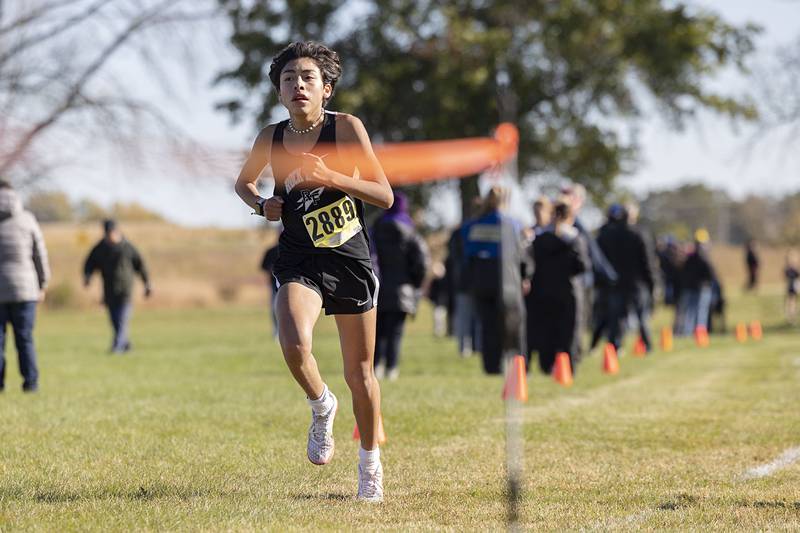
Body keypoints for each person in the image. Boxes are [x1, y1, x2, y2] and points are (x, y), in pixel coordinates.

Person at [233, 41, 393, 502]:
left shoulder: (345, 128)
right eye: (288, 79)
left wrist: (332, 177)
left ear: (326, 88)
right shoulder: (271, 137)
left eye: (307, 77)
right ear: (279, 92)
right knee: (293, 341)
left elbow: (383, 195)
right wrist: (263, 203)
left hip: (349, 258)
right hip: (299, 256)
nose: (297, 85)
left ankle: (369, 464)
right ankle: (321, 405)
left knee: (360, 373)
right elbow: (243, 182)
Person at [462, 186, 532, 375]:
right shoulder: (512, 224)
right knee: (514, 324)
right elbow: (522, 255)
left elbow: (466, 255)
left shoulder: (473, 225)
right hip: (507, 280)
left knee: (488, 326)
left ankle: (491, 367)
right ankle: (518, 365)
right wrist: (526, 276)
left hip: (482, 281)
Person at [526, 197, 589, 374]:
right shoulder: (574, 238)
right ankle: (568, 366)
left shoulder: (539, 237)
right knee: (569, 331)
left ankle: (547, 365)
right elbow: (582, 265)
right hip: (568, 291)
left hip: (542, 291)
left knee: (546, 329)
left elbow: (529, 263)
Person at [371, 190, 429, 381]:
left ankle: (376, 367)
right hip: (402, 290)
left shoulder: (376, 227)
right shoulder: (410, 231)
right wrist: (415, 283)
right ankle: (392, 368)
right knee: (395, 332)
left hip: (376, 289)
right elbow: (421, 262)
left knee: (377, 332)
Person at [0, 181, 50, 392]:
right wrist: (43, 283)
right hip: (25, 290)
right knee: (25, 338)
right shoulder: (27, 219)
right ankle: (30, 383)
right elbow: (39, 254)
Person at [83, 219, 152, 353]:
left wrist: (147, 283)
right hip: (109, 290)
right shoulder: (100, 248)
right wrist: (87, 277)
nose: (110, 236)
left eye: (112, 233)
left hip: (126, 289)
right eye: (107, 234)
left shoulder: (128, 247)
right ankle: (125, 344)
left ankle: (117, 346)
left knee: (122, 319)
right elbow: (89, 263)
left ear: (117, 231)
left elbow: (141, 265)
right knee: (114, 320)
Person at [675, 229, 716, 336]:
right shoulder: (703, 258)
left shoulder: (690, 258)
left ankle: (688, 333)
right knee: (700, 313)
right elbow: (711, 275)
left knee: (690, 313)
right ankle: (698, 334)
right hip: (700, 289)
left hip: (691, 288)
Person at [260, 242, 280, 338]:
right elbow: (263, 266)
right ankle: (276, 332)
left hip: (289, 284)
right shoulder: (272, 251)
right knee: (274, 308)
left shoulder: (293, 249)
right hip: (274, 285)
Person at [785, 249, 799, 325]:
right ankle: (791, 317)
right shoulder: (789, 269)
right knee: (791, 302)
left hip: (795, 287)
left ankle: (792, 316)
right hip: (791, 287)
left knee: (793, 302)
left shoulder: (794, 269)